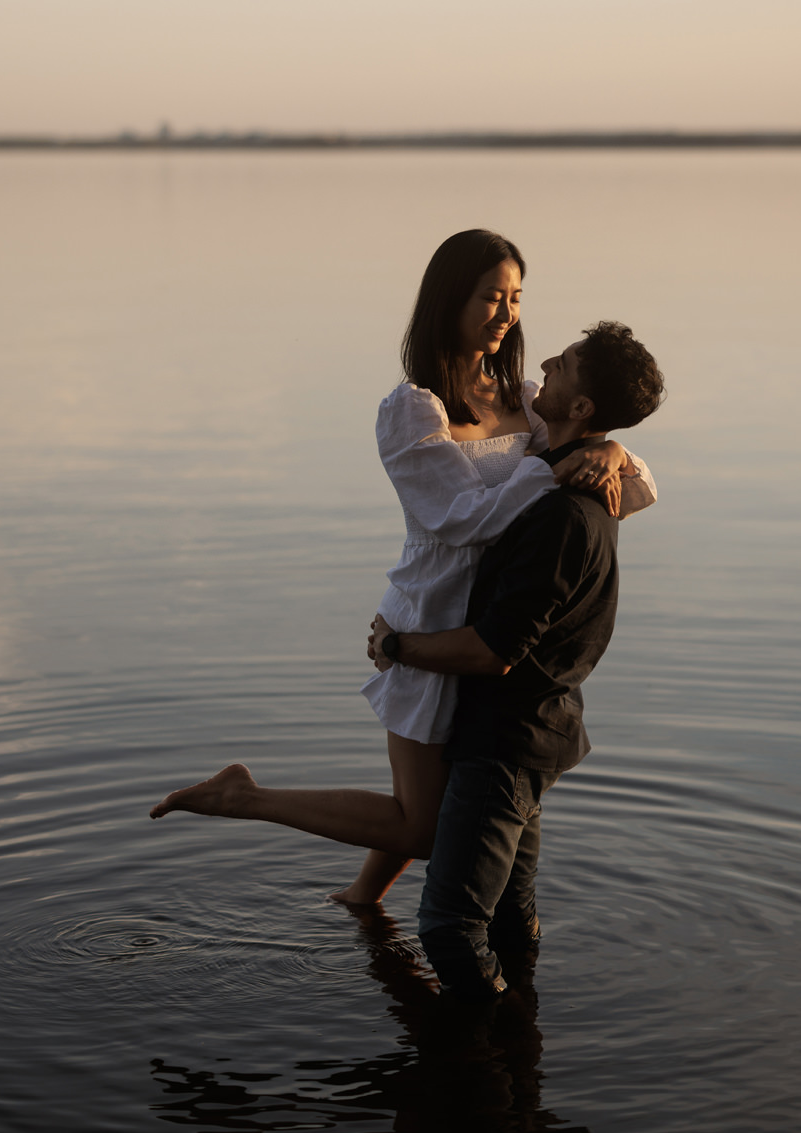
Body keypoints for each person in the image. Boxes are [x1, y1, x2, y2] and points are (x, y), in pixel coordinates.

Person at [149, 231, 657, 893]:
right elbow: (462, 517)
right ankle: (246, 797)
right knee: (423, 826)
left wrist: (613, 454)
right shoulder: (415, 409)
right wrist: (553, 466)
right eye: (491, 297)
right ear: (450, 299)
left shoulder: (526, 397)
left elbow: (636, 492)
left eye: (516, 298)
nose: (507, 313)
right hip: (434, 616)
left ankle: (363, 901)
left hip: (494, 623)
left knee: (438, 801)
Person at [366, 320, 665, 1001]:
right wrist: (610, 449)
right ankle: (519, 1056)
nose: (546, 367)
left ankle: (484, 1065)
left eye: (564, 365)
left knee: (448, 927)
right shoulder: (580, 482)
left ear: (583, 408)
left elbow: (490, 652)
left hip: (507, 739)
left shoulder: (562, 514)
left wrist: (396, 645)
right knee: (507, 916)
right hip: (535, 729)